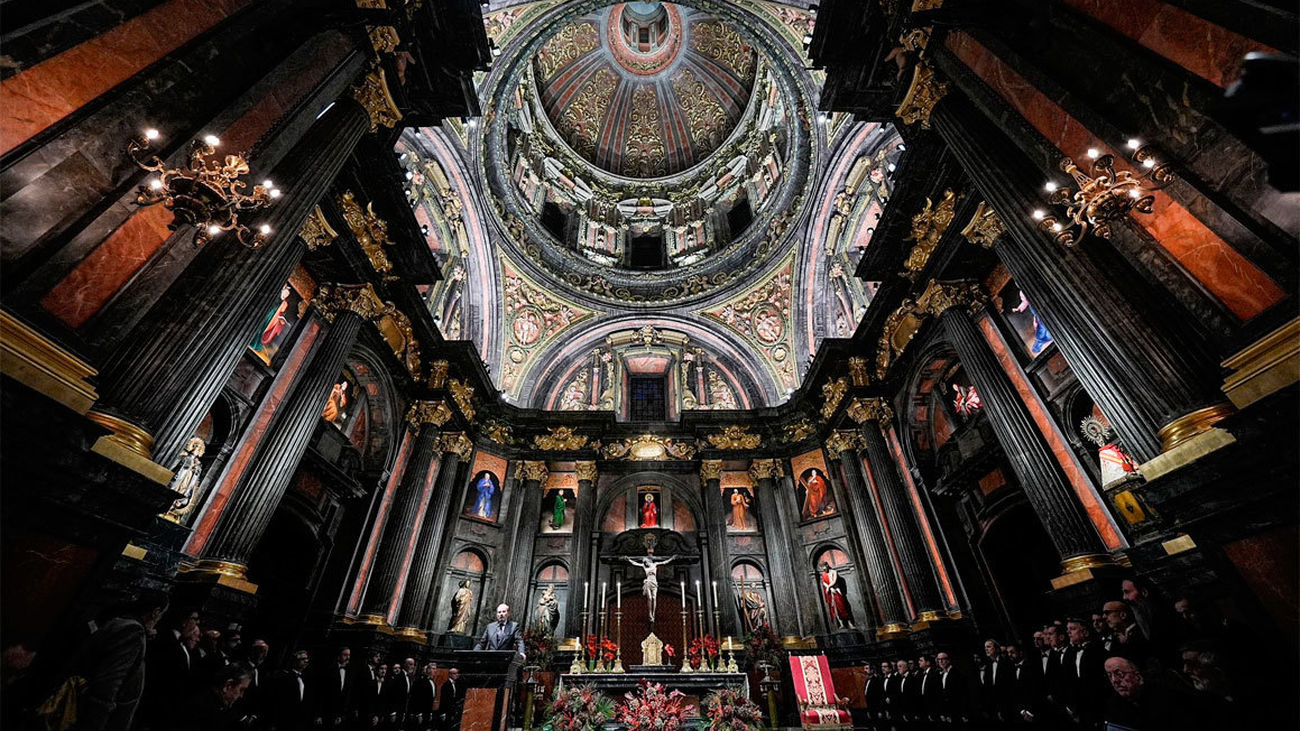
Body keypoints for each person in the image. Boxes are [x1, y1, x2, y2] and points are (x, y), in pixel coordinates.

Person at [69, 592, 168, 731]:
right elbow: (108, 685)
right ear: (155, 612)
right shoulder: (133, 632)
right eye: (162, 614)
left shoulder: (124, 624)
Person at [181, 663, 252, 731]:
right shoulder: (203, 710)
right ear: (228, 686)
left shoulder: (220, 705)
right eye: (241, 690)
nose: (241, 696)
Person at [622, 553, 676, 623]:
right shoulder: (644, 566)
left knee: (654, 598)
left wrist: (672, 558)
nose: (645, 563)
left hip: (654, 583)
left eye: (645, 561)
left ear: (648, 560)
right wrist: (629, 559)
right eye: (644, 562)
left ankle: (653, 614)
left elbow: (664, 562)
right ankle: (650, 613)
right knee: (650, 598)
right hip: (648, 582)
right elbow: (635, 563)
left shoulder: (655, 564)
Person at [269, 649, 312, 731]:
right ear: (295, 660)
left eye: (307, 659)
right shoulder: (284, 676)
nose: (306, 661)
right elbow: (278, 699)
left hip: (299, 720)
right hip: (284, 718)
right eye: (303, 659)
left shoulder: (306, 678)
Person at [314, 646, 353, 728]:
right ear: (338, 656)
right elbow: (321, 693)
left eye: (349, 655)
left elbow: (347, 695)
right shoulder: (329, 669)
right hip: (326, 712)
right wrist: (318, 715)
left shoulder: (349, 672)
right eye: (345, 655)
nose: (348, 657)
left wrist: (341, 715)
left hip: (339, 716)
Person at [818, 562, 854, 629]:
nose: (824, 570)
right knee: (834, 609)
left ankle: (850, 623)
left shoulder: (834, 572)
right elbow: (823, 583)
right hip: (830, 593)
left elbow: (834, 581)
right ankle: (841, 624)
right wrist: (830, 588)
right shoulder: (823, 574)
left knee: (843, 607)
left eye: (824, 568)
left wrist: (829, 587)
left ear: (827, 565)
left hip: (836, 591)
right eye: (822, 569)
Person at [409, 662, 437, 730]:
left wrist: (430, 713)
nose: (434, 671)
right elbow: (416, 698)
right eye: (433, 669)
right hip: (420, 712)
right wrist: (419, 713)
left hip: (428, 711)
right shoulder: (420, 681)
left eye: (435, 669)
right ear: (428, 670)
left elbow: (431, 699)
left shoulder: (433, 682)